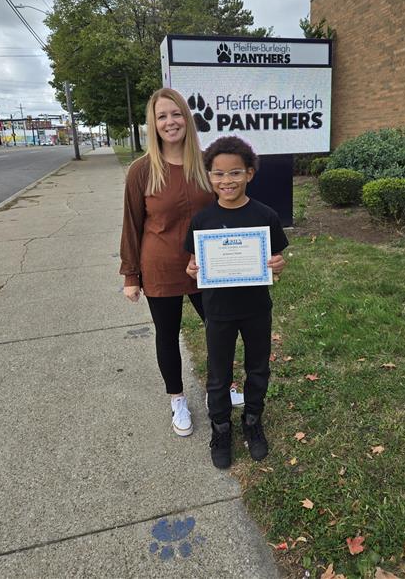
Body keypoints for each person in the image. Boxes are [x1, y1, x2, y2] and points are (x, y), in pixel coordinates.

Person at [185, 136, 288, 469]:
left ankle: (253, 421)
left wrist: (278, 265)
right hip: (218, 310)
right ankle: (221, 427)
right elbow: (193, 263)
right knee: (219, 373)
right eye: (218, 174)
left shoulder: (266, 215)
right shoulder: (202, 221)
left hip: (256, 307)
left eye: (235, 173)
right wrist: (192, 268)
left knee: (258, 367)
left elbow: (275, 259)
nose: (226, 181)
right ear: (209, 177)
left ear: (250, 174)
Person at [119, 88, 215, 437]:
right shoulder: (142, 171)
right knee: (167, 335)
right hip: (160, 266)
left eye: (176, 114)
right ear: (153, 124)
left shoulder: (207, 163)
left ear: (186, 119)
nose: (170, 122)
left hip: (208, 267)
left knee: (218, 328)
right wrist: (131, 275)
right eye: (162, 116)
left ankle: (219, 388)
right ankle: (177, 399)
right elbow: (132, 224)